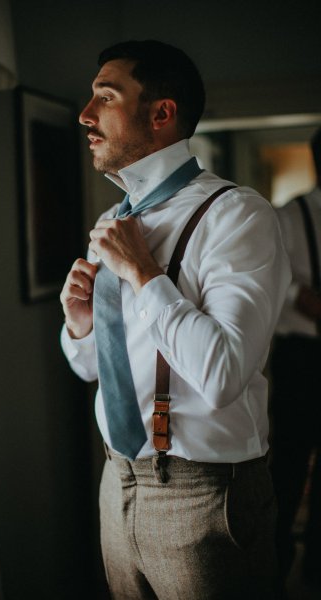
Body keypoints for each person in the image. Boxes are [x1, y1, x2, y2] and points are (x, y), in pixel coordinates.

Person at [60, 40, 291, 600]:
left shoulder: (237, 215)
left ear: (161, 113)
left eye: (105, 97)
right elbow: (93, 369)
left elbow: (221, 375)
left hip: (203, 495)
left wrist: (142, 273)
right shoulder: (113, 219)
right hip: (116, 483)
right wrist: (82, 324)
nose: (86, 115)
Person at [269, 126, 321, 596]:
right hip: (301, 358)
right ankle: (276, 565)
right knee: (287, 464)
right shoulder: (287, 216)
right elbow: (268, 276)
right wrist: (297, 294)